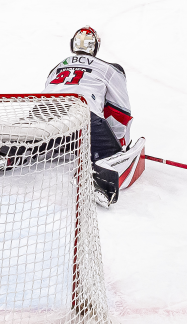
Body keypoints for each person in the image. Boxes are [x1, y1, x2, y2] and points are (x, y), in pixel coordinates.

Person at [42, 27, 134, 204]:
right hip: (82, 112)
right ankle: (98, 182)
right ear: (96, 47)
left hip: (43, 110)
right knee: (109, 156)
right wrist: (119, 144)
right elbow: (121, 111)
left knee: (24, 137)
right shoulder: (110, 69)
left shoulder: (58, 66)